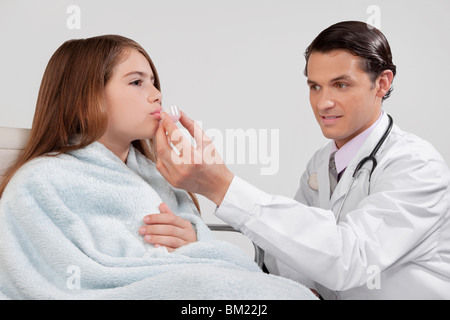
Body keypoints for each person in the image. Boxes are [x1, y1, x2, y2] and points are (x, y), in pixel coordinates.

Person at [0, 35, 316, 300]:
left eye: (154, 83)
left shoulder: (157, 178)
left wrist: (194, 242)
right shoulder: (38, 183)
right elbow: (51, 280)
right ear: (86, 99)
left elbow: (205, 257)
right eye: (137, 82)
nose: (156, 95)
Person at [155, 21, 450, 299]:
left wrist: (222, 186)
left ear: (382, 83)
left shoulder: (417, 166)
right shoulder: (322, 163)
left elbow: (349, 261)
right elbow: (290, 262)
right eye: (315, 86)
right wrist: (203, 246)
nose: (323, 103)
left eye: (341, 85)